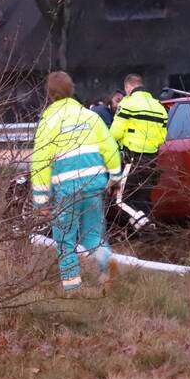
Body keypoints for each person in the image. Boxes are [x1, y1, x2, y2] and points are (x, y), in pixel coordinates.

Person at [31, 71, 121, 292]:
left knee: (65, 240)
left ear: (50, 95)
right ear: (72, 90)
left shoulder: (48, 122)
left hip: (67, 189)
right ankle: (105, 260)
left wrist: (41, 201)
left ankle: (73, 288)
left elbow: (40, 163)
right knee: (92, 235)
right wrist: (116, 176)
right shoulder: (90, 117)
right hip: (93, 184)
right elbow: (109, 147)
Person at [110, 74, 168, 220]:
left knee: (121, 200)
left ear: (128, 87)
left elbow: (115, 133)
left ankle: (145, 225)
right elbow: (162, 137)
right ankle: (148, 233)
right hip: (151, 159)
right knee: (142, 199)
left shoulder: (128, 103)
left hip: (132, 158)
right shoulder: (159, 106)